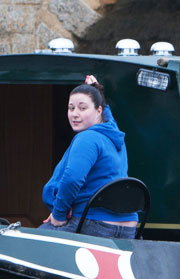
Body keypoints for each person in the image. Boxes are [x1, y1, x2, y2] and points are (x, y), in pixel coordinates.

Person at [40, 76, 139, 239]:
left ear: (98, 110)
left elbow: (72, 179)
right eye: (71, 108)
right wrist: (97, 90)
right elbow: (108, 116)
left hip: (94, 224)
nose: (75, 114)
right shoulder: (113, 133)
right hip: (128, 228)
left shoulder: (87, 138)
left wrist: (58, 215)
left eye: (82, 108)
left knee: (30, 243)